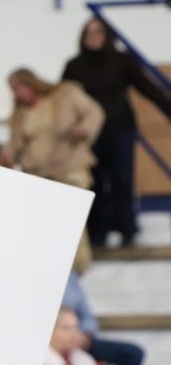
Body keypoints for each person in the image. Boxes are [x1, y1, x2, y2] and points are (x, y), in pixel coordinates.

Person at [62, 18, 171, 247]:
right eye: (89, 32)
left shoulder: (122, 62)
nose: (94, 36)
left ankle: (127, 229)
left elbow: (148, 88)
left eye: (98, 31)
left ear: (107, 35)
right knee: (95, 181)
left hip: (121, 129)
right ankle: (97, 232)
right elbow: (63, 99)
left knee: (123, 179)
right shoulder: (74, 66)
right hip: (89, 134)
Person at [2, 67, 103, 273]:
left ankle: (79, 266)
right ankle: (58, 267)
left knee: (72, 215)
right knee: (52, 221)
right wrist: (7, 155)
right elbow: (15, 141)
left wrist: (83, 129)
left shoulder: (65, 94)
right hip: (39, 172)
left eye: (19, 87)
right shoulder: (20, 112)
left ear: (31, 83)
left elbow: (94, 112)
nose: (17, 94)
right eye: (13, 90)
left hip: (69, 165)